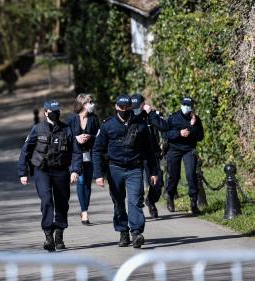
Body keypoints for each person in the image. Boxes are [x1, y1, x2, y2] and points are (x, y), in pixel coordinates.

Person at [92, 95, 158, 249]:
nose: (124, 110)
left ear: (130, 107)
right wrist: (99, 174)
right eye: (121, 107)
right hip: (115, 169)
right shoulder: (108, 126)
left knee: (135, 200)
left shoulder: (140, 125)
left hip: (135, 168)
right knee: (118, 203)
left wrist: (153, 171)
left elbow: (149, 150)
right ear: (116, 107)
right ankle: (123, 231)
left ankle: (136, 233)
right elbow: (97, 150)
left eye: (127, 107)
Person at [18, 100, 82, 252]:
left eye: (58, 110)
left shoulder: (66, 129)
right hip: (42, 171)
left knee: (62, 203)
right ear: (45, 112)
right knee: (46, 201)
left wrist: (75, 170)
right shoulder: (38, 129)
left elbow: (76, 152)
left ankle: (59, 233)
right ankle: (48, 236)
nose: (56, 113)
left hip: (61, 171)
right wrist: (23, 172)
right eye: (53, 111)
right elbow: (25, 151)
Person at [158, 97, 204, 214]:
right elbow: (165, 134)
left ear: (192, 107)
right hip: (174, 150)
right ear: (181, 105)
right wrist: (179, 133)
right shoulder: (173, 118)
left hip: (189, 149)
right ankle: (170, 197)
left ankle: (194, 202)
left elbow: (200, 136)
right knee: (174, 176)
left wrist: (192, 126)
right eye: (184, 104)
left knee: (191, 175)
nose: (186, 107)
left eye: (188, 105)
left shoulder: (195, 119)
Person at [65, 94, 100, 225]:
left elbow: (99, 136)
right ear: (83, 104)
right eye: (89, 102)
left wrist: (89, 137)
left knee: (87, 184)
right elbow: (65, 136)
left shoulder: (94, 119)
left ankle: (85, 208)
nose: (92, 104)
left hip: (89, 155)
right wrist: (76, 138)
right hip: (76, 156)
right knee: (80, 182)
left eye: (92, 101)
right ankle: (84, 211)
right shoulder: (71, 119)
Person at [131, 93, 164, 218]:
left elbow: (163, 127)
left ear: (143, 104)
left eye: (138, 106)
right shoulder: (128, 116)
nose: (136, 108)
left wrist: (150, 114)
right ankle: (137, 210)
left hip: (151, 154)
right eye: (134, 106)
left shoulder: (152, 115)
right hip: (136, 156)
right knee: (137, 185)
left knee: (158, 181)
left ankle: (150, 200)